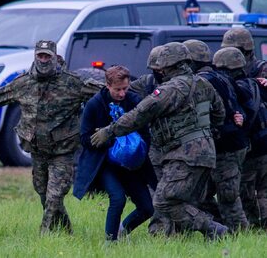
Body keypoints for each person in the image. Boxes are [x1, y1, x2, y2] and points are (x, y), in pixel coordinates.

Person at [90, 42, 229, 240]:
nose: (160, 71)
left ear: (169, 65)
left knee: (164, 202)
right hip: (205, 153)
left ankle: (215, 229)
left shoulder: (171, 89)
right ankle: (180, 238)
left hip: (184, 154)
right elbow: (219, 113)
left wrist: (110, 131)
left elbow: (140, 114)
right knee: (186, 201)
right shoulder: (203, 83)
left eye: (162, 67)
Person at [0, 40, 102, 234]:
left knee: (54, 195)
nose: (44, 60)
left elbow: (105, 94)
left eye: (48, 56)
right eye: (41, 56)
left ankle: (44, 235)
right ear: (35, 56)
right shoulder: (23, 83)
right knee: (44, 194)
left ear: (55, 57)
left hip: (63, 151)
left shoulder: (72, 82)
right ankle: (67, 232)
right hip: (37, 150)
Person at [73, 65, 156, 241]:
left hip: (132, 163)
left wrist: (135, 151)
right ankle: (110, 243)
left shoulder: (134, 101)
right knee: (118, 198)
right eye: (117, 90)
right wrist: (109, 141)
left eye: (125, 88)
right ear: (108, 85)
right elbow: (84, 138)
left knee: (147, 208)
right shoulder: (95, 104)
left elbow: (146, 134)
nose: (122, 94)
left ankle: (122, 230)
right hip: (105, 163)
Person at [185, 40, 250, 232]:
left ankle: (240, 234)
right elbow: (241, 105)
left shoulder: (204, 80)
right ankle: (220, 229)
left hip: (226, 147)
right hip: (226, 145)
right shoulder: (219, 77)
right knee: (203, 196)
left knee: (228, 196)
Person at [221, 28, 267, 229]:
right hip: (246, 137)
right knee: (246, 188)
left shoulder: (261, 69)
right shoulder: (228, 71)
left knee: (258, 187)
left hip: (259, 136)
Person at [130, 46, 176, 236]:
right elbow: (123, 90)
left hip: (178, 145)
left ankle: (181, 228)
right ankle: (158, 230)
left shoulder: (181, 85)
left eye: (161, 69)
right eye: (155, 70)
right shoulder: (146, 83)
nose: (158, 73)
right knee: (156, 189)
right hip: (156, 145)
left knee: (175, 190)